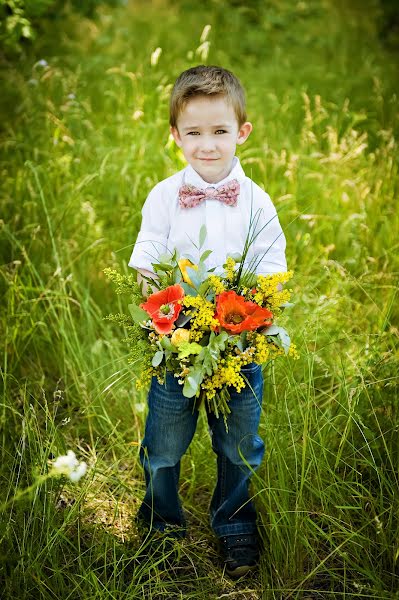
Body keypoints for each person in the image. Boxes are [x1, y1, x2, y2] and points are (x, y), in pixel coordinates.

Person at [128, 65, 287, 578]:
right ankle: (160, 525)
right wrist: (165, 324)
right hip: (177, 346)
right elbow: (149, 267)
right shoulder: (163, 196)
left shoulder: (258, 201)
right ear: (175, 135)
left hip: (239, 346)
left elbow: (269, 271)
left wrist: (252, 325)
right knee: (163, 444)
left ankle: (235, 525)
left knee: (239, 446)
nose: (208, 145)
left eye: (220, 131)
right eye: (193, 133)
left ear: (242, 131)